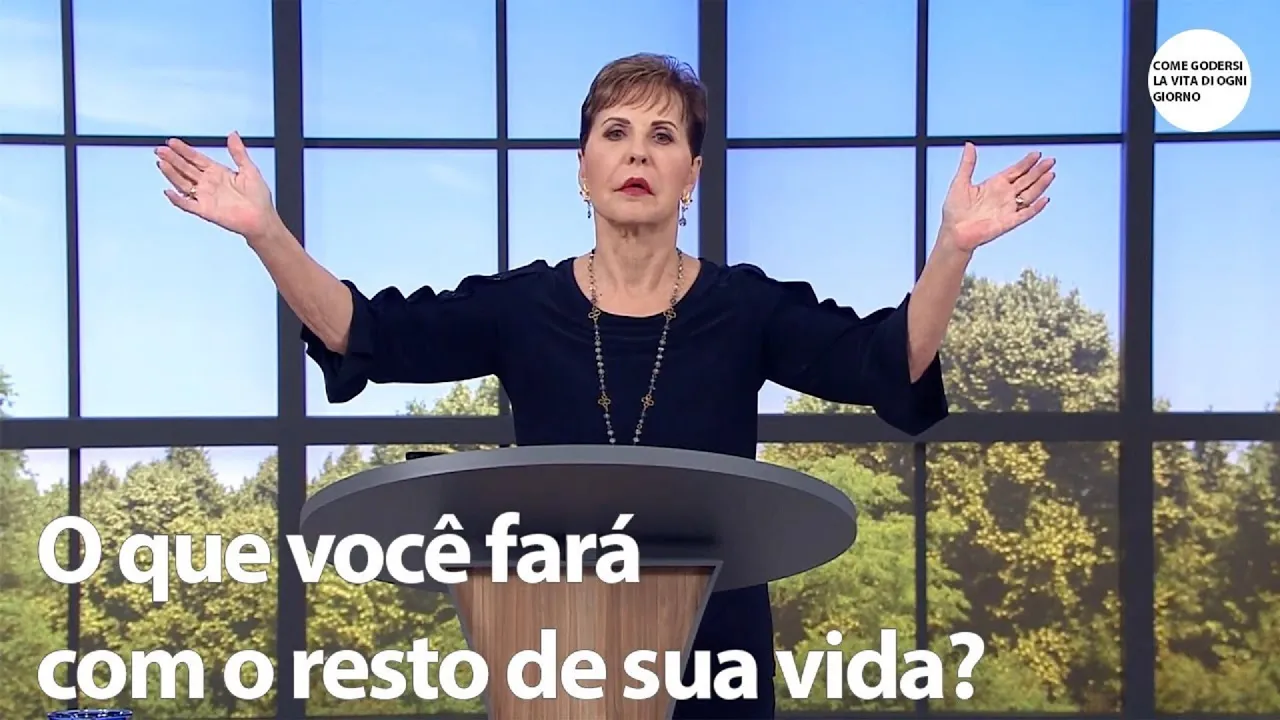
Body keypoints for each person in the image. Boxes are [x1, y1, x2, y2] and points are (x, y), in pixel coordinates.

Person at [155, 53, 1054, 719]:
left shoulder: (747, 307)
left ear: (692, 173)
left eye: (664, 137)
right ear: (582, 167)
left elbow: (889, 361)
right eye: (615, 133)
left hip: (717, 661)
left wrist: (953, 248)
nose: (638, 154)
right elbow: (360, 330)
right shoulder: (520, 307)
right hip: (556, 656)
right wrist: (264, 232)